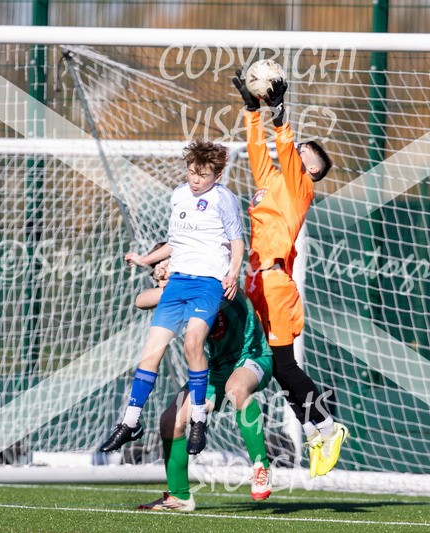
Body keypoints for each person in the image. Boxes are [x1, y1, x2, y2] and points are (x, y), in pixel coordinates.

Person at [232, 69, 347, 478]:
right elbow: (258, 151)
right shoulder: (271, 181)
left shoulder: (301, 188)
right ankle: (315, 430)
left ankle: (329, 427)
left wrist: (279, 114)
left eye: (303, 153)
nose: (295, 152)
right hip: (254, 282)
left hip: (277, 282)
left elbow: (281, 147)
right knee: (276, 369)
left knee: (284, 366)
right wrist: (251, 110)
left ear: (311, 171)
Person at [99, 140, 245, 456]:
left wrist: (232, 272)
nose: (195, 179)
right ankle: (130, 422)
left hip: (208, 283)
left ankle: (197, 420)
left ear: (217, 175)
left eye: (203, 175)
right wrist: (145, 260)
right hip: (177, 282)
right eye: (192, 172)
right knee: (150, 352)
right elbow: (176, 243)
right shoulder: (178, 195)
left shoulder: (224, 199)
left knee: (193, 343)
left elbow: (236, 241)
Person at [132, 249, 274, 511]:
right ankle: (179, 496)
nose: (160, 272)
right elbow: (141, 300)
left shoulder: (215, 279)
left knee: (236, 388)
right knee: (169, 422)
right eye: (156, 272)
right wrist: (171, 287)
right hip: (217, 368)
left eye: (162, 265)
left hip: (252, 356)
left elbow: (225, 291)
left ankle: (261, 466)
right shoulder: (180, 293)